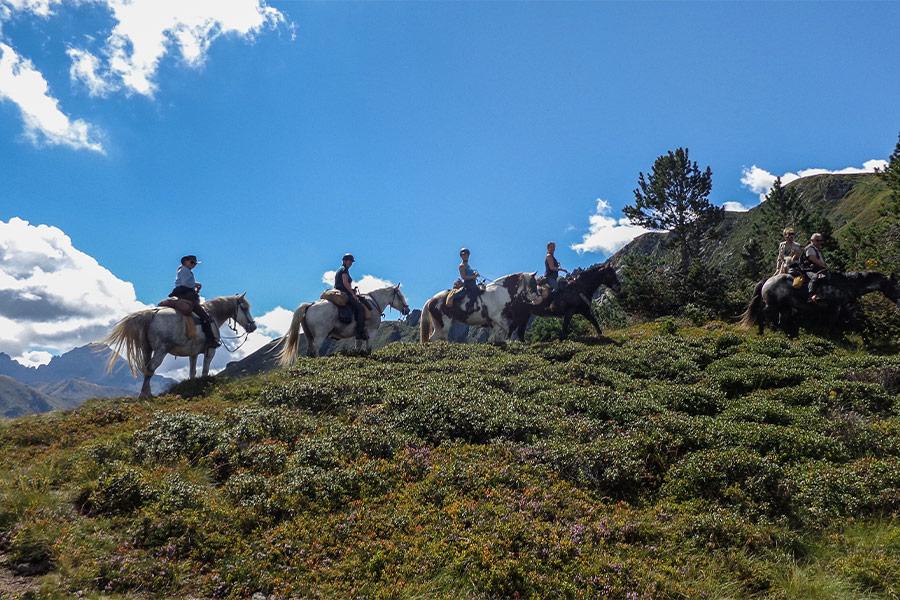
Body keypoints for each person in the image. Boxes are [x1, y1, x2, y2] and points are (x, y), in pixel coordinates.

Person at [170, 255, 220, 348]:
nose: (194, 265)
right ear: (185, 262)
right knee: (205, 317)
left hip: (181, 294)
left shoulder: (182, 270)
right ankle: (210, 340)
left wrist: (195, 284)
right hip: (187, 295)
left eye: (195, 263)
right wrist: (197, 284)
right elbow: (186, 284)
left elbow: (185, 283)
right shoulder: (185, 271)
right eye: (192, 262)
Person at [334, 253, 367, 340]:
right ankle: (360, 332)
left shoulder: (341, 269)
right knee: (360, 308)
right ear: (345, 261)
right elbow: (345, 283)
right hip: (344, 292)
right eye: (349, 261)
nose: (351, 263)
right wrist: (352, 293)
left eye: (351, 262)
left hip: (339, 291)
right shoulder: (344, 270)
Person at [802, 233, 828, 302]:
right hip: (808, 269)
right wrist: (824, 266)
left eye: (820, 240)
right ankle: (811, 295)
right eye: (817, 240)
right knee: (815, 277)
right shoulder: (810, 248)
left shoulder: (817, 249)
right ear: (812, 240)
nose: (820, 242)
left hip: (818, 269)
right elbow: (813, 259)